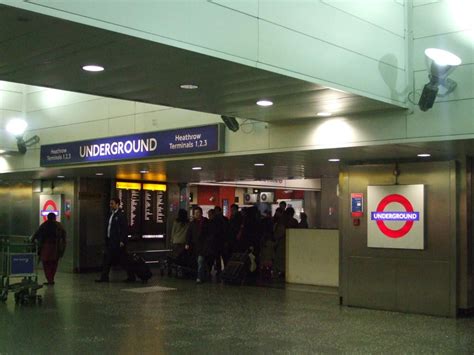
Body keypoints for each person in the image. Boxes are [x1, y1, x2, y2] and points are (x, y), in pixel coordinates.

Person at [96, 198, 135, 283]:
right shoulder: (111, 214)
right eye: (110, 204)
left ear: (117, 204)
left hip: (117, 242)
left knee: (123, 260)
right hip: (111, 241)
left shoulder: (121, 215)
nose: (111, 205)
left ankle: (131, 276)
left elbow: (124, 229)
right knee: (107, 259)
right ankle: (104, 277)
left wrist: (122, 240)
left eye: (112, 204)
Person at [32, 212, 66, 285]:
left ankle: (49, 279)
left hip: (45, 246)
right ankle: (51, 278)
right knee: (54, 263)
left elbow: (36, 234)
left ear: (47, 217)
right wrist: (63, 248)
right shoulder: (59, 226)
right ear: (55, 217)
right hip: (56, 247)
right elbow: (64, 236)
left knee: (46, 263)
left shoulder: (44, 225)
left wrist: (33, 241)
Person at [185, 206, 211, 283]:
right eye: (195, 213)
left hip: (203, 246)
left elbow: (209, 234)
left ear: (201, 213)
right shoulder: (192, 223)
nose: (196, 214)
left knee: (200, 260)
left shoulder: (206, 222)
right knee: (200, 262)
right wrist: (187, 243)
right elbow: (188, 234)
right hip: (195, 246)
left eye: (198, 213)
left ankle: (199, 277)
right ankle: (205, 274)